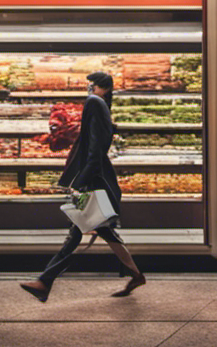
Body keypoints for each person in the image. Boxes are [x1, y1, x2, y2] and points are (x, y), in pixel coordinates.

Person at [20, 72, 145, 302]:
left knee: (77, 233)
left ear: (100, 87)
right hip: (97, 177)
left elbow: (95, 147)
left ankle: (44, 281)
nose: (88, 88)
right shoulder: (102, 104)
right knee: (101, 230)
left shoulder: (94, 103)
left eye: (92, 85)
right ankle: (136, 275)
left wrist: (81, 181)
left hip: (93, 179)